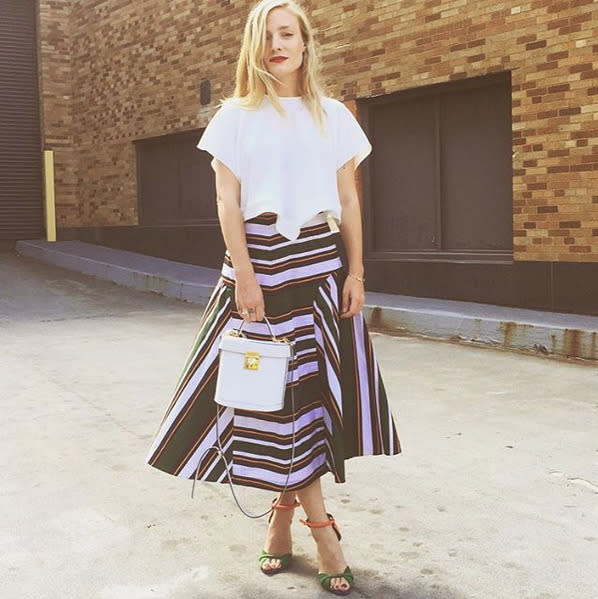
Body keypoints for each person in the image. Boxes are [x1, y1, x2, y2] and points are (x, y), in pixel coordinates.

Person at [145, 0, 401, 595]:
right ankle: (321, 529)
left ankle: (283, 523)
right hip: (257, 267)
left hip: (318, 265)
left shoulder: (334, 115)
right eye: (265, 36)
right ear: (252, 48)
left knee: (305, 402)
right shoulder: (235, 116)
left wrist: (357, 272)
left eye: (287, 34)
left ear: (306, 43)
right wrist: (247, 275)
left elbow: (350, 201)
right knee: (267, 402)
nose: (276, 45)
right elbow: (226, 203)